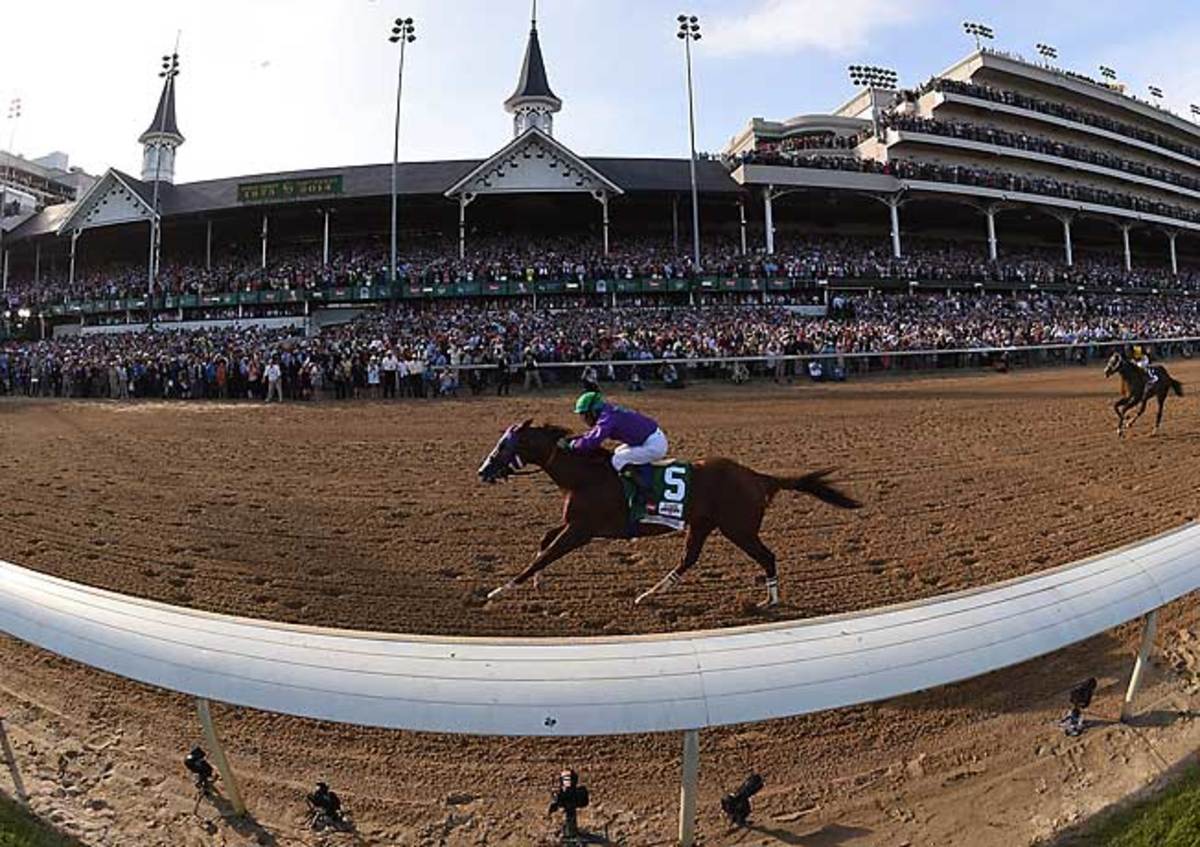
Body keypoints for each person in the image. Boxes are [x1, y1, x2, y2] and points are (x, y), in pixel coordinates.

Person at [562, 391, 667, 499]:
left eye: (585, 415)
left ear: (593, 411)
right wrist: (576, 440)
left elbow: (593, 440)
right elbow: (594, 433)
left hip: (654, 445)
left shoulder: (608, 418)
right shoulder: (608, 412)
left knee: (617, 460)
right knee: (618, 452)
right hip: (650, 439)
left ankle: (646, 491)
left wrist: (574, 446)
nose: (584, 420)